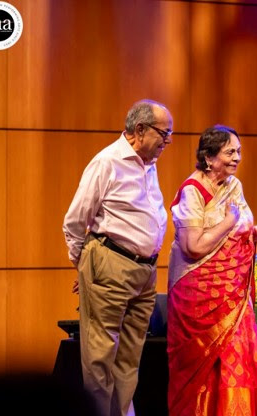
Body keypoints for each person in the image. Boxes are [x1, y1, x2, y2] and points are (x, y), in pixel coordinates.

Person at [63, 99, 173, 416]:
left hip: (145, 271)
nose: (167, 141)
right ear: (140, 129)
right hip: (111, 262)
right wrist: (86, 267)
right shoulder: (107, 162)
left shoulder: (148, 163)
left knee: (129, 359)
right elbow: (75, 221)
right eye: (164, 133)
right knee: (100, 357)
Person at [166, 125, 257, 416]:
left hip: (234, 297)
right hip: (199, 297)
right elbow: (193, 247)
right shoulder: (192, 191)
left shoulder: (232, 186)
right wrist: (228, 222)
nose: (237, 157)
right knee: (204, 367)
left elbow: (238, 227)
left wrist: (253, 231)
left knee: (237, 358)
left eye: (238, 151)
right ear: (209, 158)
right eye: (229, 152)